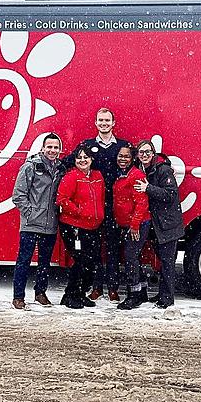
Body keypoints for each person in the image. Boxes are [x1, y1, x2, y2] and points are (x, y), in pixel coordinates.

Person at [61, 108, 129, 301]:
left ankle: (113, 287)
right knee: (94, 248)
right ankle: (97, 286)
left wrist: (165, 164)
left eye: (107, 120)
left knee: (114, 248)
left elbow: (138, 166)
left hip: (116, 205)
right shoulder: (87, 145)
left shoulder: (123, 146)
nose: (104, 123)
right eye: (100, 120)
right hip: (93, 205)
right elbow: (68, 162)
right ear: (96, 123)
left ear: (114, 123)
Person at [10, 133, 64, 310]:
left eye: (56, 147)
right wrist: (30, 214)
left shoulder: (61, 168)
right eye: (49, 147)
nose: (52, 150)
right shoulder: (30, 166)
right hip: (31, 224)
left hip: (50, 224)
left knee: (44, 262)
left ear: (59, 150)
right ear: (42, 148)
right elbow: (18, 195)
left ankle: (40, 292)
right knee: (24, 260)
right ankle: (18, 297)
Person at [135, 138, 184, 309]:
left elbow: (170, 194)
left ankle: (168, 298)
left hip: (168, 224)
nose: (145, 155)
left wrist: (148, 188)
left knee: (168, 262)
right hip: (157, 225)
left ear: (153, 153)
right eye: (141, 152)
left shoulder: (163, 171)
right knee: (163, 261)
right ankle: (163, 294)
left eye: (148, 152)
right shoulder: (141, 170)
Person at [56, 143, 106, 309]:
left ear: (92, 159)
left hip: (93, 226)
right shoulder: (71, 177)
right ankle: (70, 295)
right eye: (79, 158)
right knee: (80, 261)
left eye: (86, 157)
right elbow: (62, 199)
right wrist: (79, 211)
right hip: (74, 226)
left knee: (91, 262)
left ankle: (81, 293)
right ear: (75, 160)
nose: (83, 160)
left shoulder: (98, 176)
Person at [112, 144, 151, 310]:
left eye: (126, 156)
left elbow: (142, 203)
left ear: (132, 158)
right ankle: (142, 292)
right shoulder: (120, 174)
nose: (122, 159)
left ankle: (133, 295)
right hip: (127, 223)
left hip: (137, 224)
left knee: (130, 257)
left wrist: (134, 225)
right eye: (120, 156)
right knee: (134, 256)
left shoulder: (136, 175)